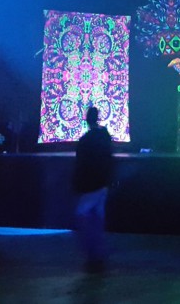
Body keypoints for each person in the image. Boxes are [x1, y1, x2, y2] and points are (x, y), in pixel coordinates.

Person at [73, 106, 113, 273]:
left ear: (86, 119)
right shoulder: (104, 136)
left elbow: (81, 164)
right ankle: (98, 256)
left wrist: (77, 184)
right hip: (102, 183)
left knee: (83, 216)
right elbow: (109, 158)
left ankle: (93, 256)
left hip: (91, 184)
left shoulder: (86, 141)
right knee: (97, 219)